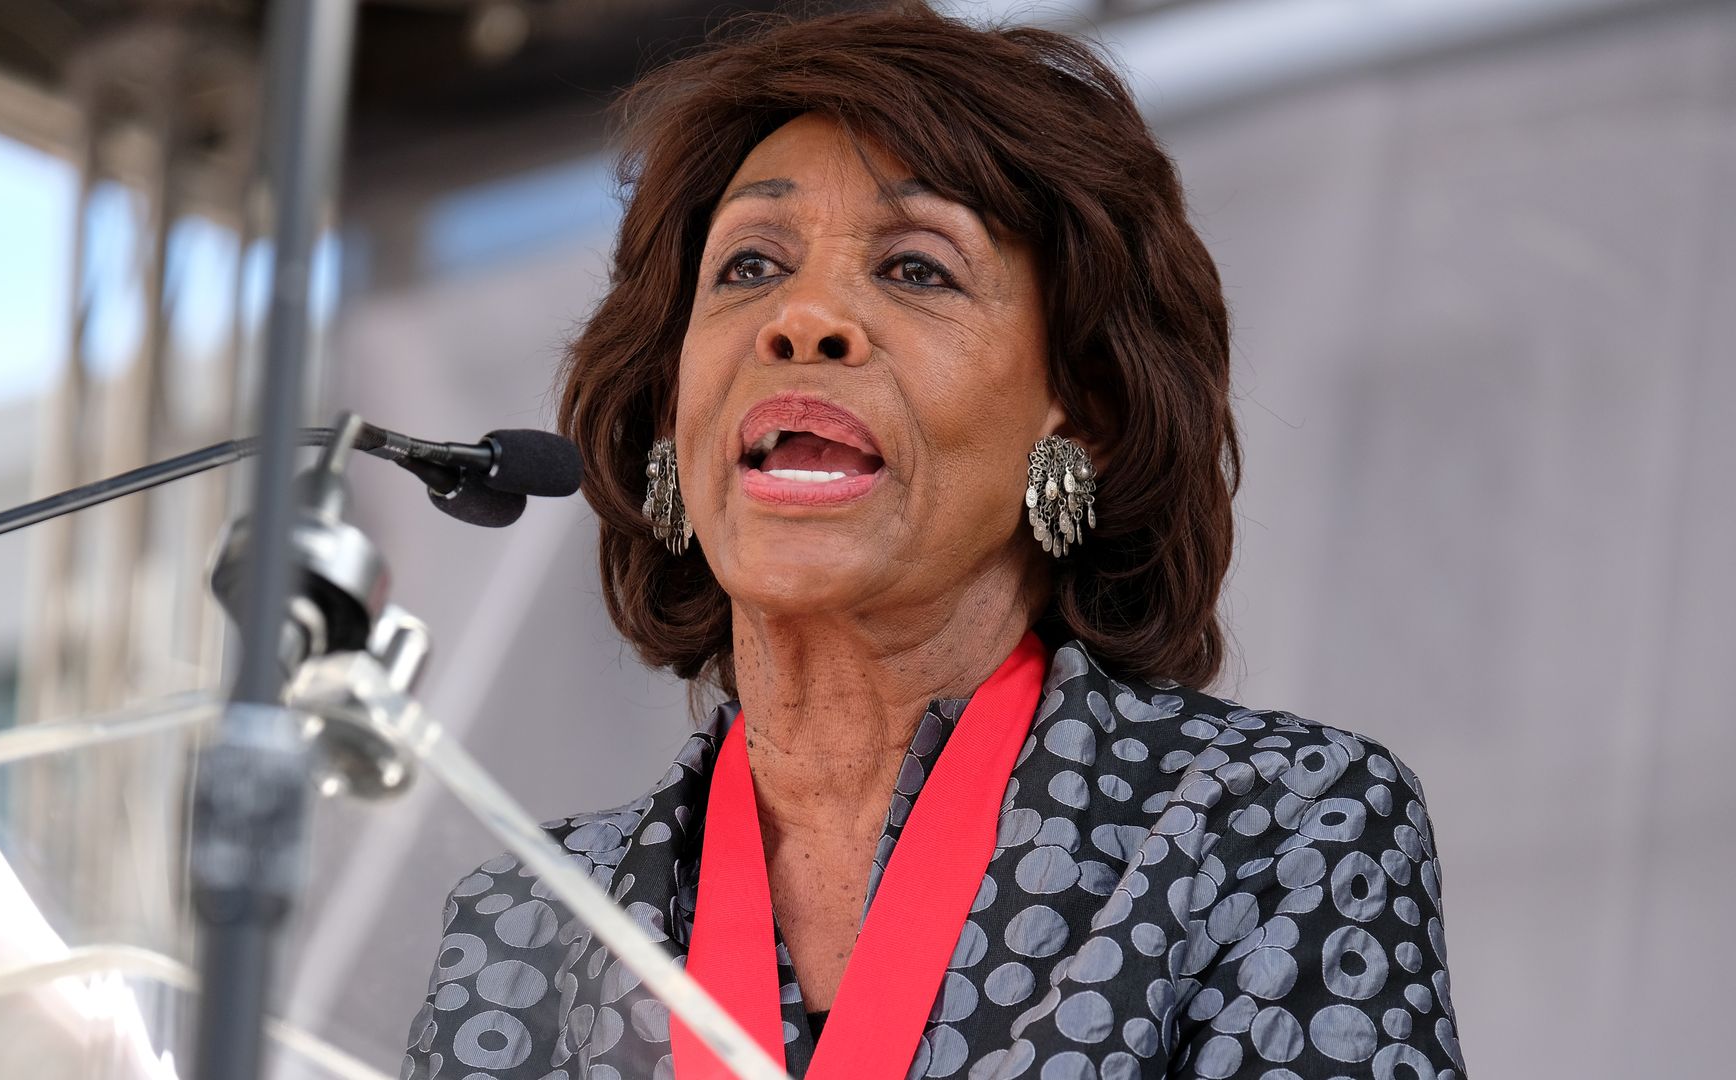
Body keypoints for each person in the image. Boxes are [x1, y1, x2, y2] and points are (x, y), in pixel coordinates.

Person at [401, 5, 1465, 1079]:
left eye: (917, 269)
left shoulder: (1270, 829)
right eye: (750, 267)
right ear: (677, 418)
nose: (803, 317)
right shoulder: (533, 921)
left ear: (1081, 410)